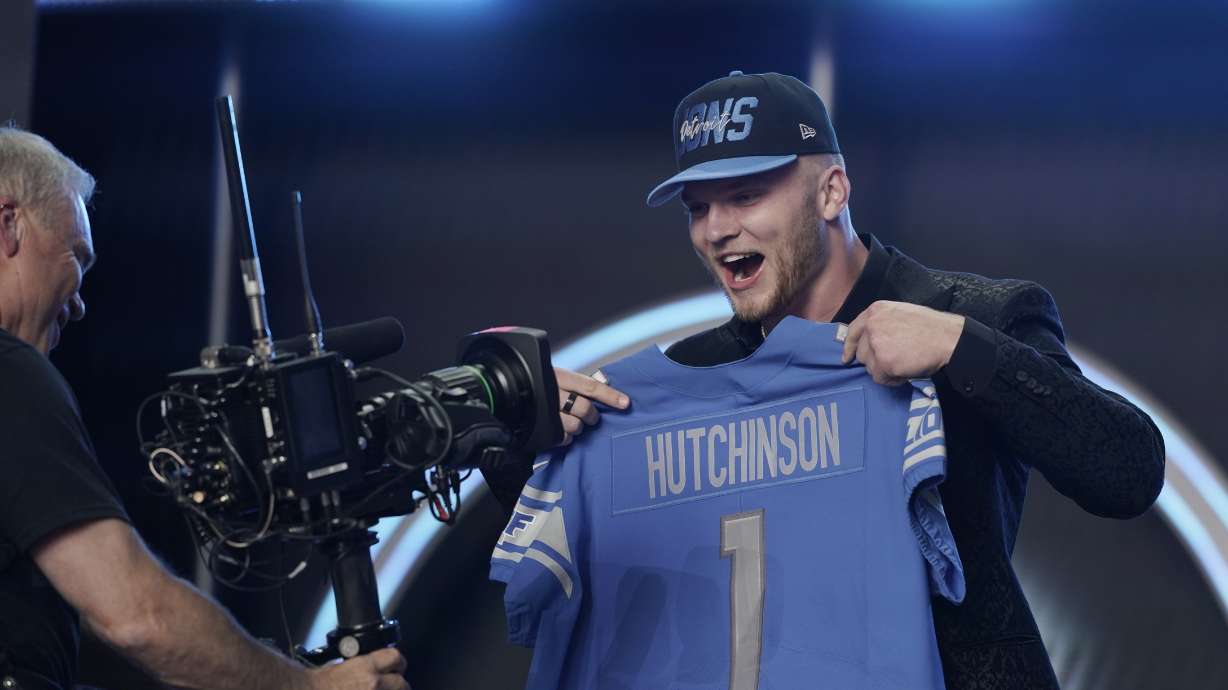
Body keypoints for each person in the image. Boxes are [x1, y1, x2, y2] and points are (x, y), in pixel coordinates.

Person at [487, 71, 1166, 688]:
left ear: (832, 189)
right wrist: (530, 442)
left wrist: (965, 349)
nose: (718, 230)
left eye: (746, 194)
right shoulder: (687, 379)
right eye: (698, 206)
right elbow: (607, 552)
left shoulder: (972, 316)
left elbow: (1128, 470)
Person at [0, 126, 409, 690]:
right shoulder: (10, 372)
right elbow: (136, 615)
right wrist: (304, 688)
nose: (79, 303)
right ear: (8, 224)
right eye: (76, 255)